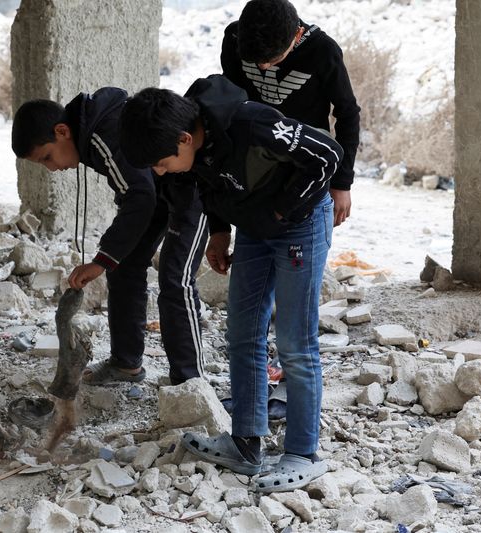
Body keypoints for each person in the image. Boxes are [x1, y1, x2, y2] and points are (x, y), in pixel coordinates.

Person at [119, 75, 342, 492]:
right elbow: (205, 181)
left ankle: (303, 453)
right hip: (255, 227)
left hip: (300, 226)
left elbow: (328, 154)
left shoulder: (253, 125)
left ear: (185, 139)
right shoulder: (190, 145)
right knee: (242, 333)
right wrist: (219, 233)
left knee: (295, 342)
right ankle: (245, 443)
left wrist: (280, 213)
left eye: (162, 163)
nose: (159, 172)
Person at [11, 88, 208, 387]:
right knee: (125, 265)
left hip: (190, 187)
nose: (52, 168)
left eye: (47, 157)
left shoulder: (101, 136)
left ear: (62, 131)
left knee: (174, 278)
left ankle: (190, 384)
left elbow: (138, 197)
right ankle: (126, 365)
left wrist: (101, 261)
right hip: (157, 191)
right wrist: (111, 258)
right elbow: (139, 193)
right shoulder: (88, 133)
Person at [222, 0, 360, 227]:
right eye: (254, 61)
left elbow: (348, 114)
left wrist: (342, 183)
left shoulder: (322, 50)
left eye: (274, 59)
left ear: (297, 35)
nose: (264, 67)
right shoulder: (235, 38)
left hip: (307, 167)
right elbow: (230, 102)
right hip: (255, 170)